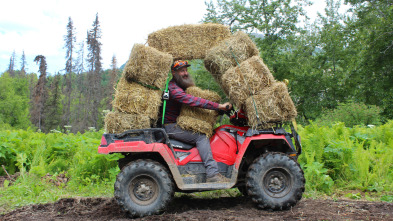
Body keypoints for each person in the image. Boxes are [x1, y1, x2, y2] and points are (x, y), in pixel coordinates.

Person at [162, 60, 232, 183]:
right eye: (181, 71)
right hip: (171, 126)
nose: (185, 73)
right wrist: (218, 106)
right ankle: (213, 174)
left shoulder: (180, 86)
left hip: (176, 123)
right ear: (174, 72)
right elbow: (192, 100)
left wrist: (217, 111)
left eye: (186, 70)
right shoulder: (173, 89)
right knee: (201, 137)